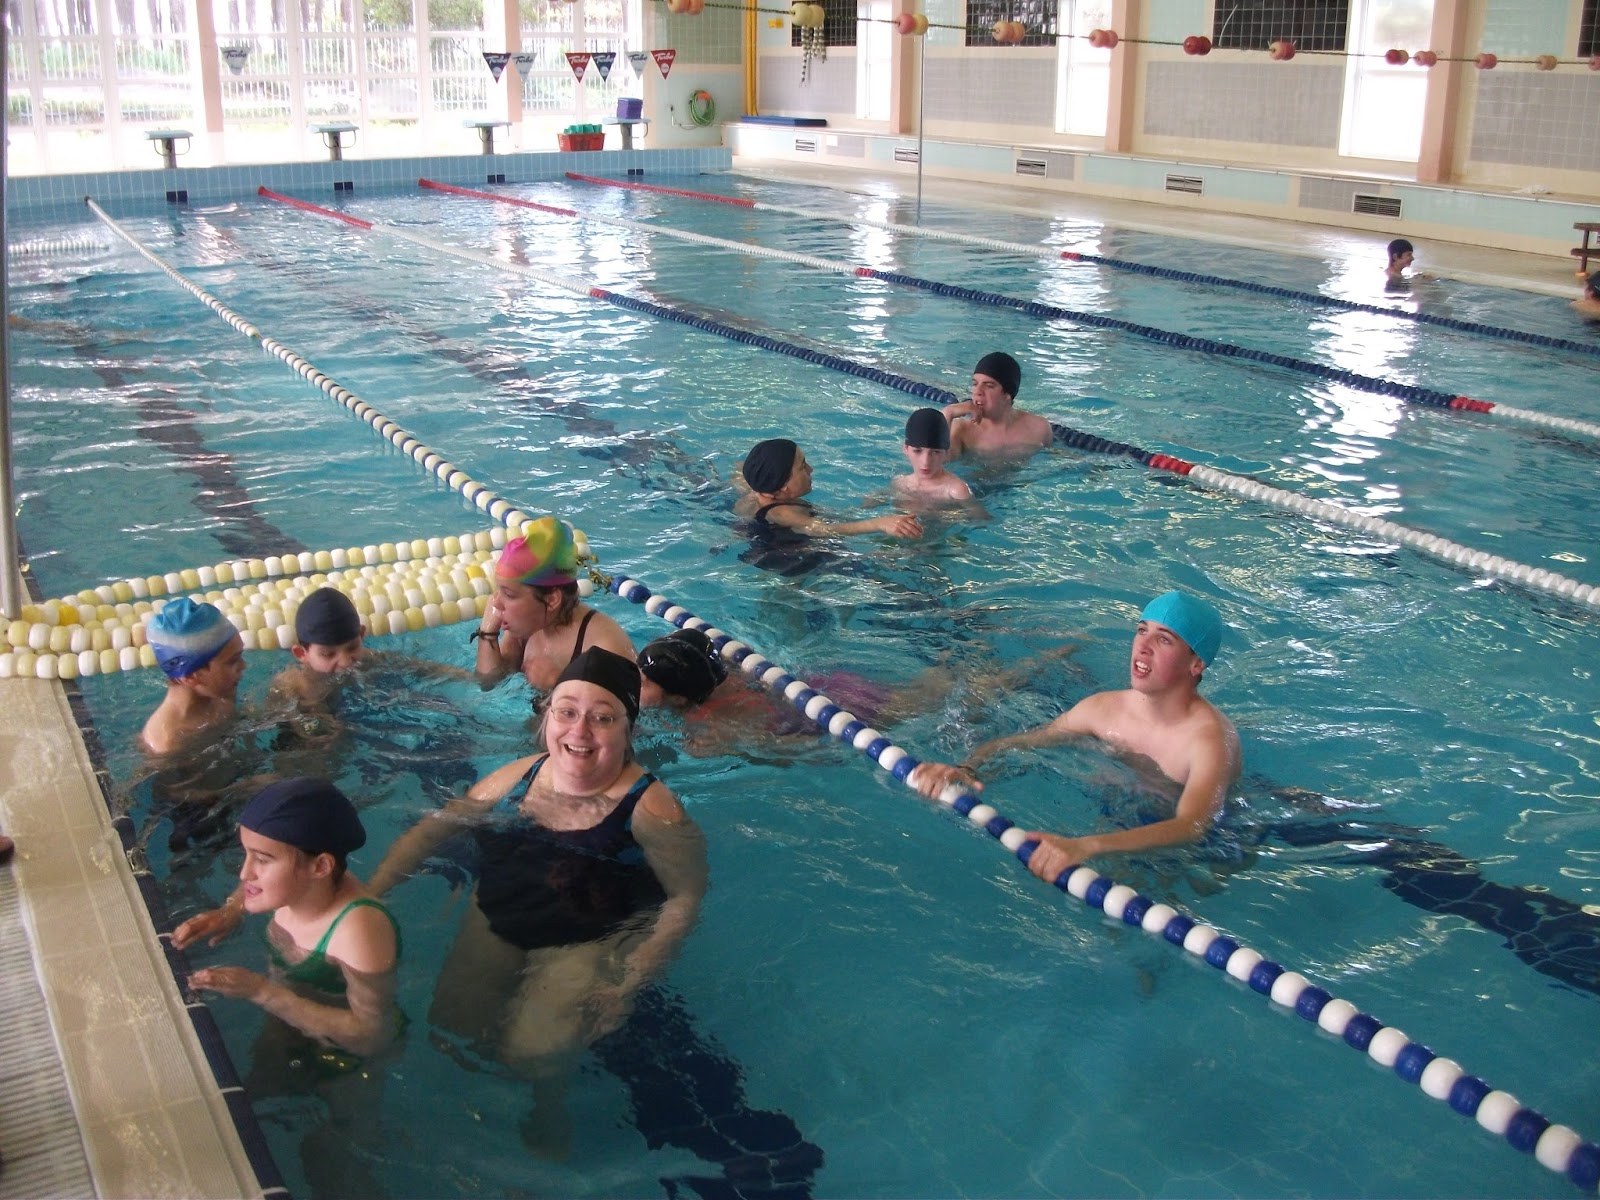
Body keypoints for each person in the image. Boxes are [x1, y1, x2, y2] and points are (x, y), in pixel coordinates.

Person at [369, 647, 707, 1156]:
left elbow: (685, 897)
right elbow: (434, 829)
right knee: (453, 1028)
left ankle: (549, 1106)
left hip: (591, 935)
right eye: (566, 712)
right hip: (500, 912)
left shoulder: (651, 807)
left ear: (628, 729)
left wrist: (630, 980)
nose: (579, 731)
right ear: (547, 716)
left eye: (602, 718)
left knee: (533, 1054)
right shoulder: (520, 775)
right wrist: (372, 894)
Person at [911, 590, 1240, 885]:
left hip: (1206, 838)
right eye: (1142, 631)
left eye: (1164, 640)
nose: (1143, 646)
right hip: (1123, 806)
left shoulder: (1208, 742)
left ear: (1196, 663)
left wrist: (1087, 846)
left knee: (1200, 885)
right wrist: (967, 769)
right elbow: (1021, 745)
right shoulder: (1102, 710)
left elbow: (1191, 826)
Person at [175, 777, 402, 1059]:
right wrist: (230, 911)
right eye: (246, 854)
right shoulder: (303, 886)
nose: (244, 873)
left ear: (320, 866)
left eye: (262, 860)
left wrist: (260, 992)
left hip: (340, 1059)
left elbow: (373, 1036)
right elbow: (259, 883)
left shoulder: (357, 933)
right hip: (290, 1012)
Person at [473, 515, 635, 693]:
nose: (495, 601)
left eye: (509, 594)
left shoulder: (605, 648)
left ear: (551, 600)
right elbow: (490, 682)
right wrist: (487, 633)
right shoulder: (529, 623)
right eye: (499, 590)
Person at [736, 437, 922, 542]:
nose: (810, 470)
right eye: (802, 467)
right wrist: (879, 524)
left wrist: (864, 508)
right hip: (793, 560)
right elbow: (819, 529)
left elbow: (741, 468)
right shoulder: (780, 513)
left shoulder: (760, 488)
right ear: (783, 486)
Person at [140, 597, 248, 756]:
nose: (244, 665)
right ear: (190, 676)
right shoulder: (169, 743)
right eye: (233, 661)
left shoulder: (221, 696)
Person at [941, 352, 1052, 459]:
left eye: (989, 386)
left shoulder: (1039, 428)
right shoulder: (961, 430)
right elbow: (938, 464)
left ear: (1007, 395)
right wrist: (948, 413)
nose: (977, 391)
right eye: (975, 384)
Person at [892, 408, 972, 504]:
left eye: (935, 452)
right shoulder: (900, 484)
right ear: (906, 449)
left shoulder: (956, 492)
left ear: (946, 452)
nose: (926, 462)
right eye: (917, 451)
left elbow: (977, 513)